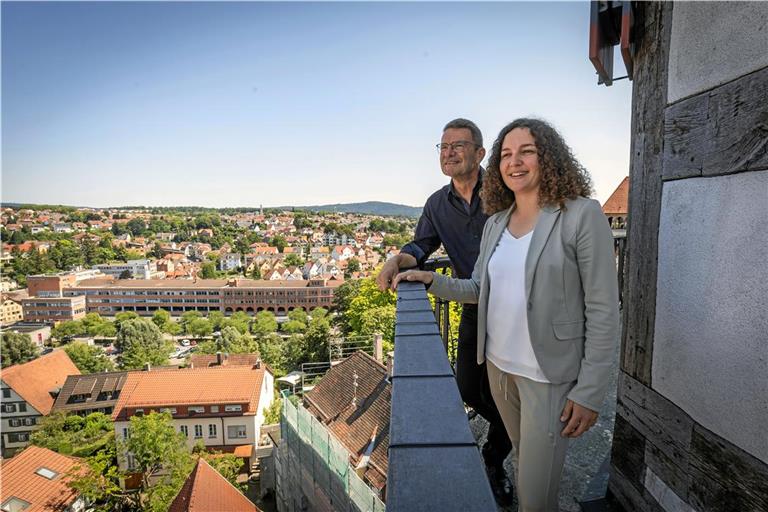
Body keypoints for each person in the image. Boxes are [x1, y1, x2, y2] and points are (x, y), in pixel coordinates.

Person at [393, 118, 619, 512]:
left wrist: (589, 390)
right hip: (499, 365)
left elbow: (603, 308)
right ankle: (499, 458)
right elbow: (471, 282)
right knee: (520, 458)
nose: (515, 162)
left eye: (526, 152)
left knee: (534, 497)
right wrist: (424, 276)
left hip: (547, 373)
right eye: (508, 155)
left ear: (548, 157)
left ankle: (496, 464)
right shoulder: (495, 219)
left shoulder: (581, 215)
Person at [376, 118, 515, 505]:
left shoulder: (506, 191)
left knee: (509, 390)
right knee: (469, 387)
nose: (448, 153)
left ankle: (494, 459)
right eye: (442, 147)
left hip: (518, 309)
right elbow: (420, 246)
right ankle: (515, 430)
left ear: (480, 153)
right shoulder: (438, 203)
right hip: (473, 303)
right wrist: (397, 259)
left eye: (458, 145)